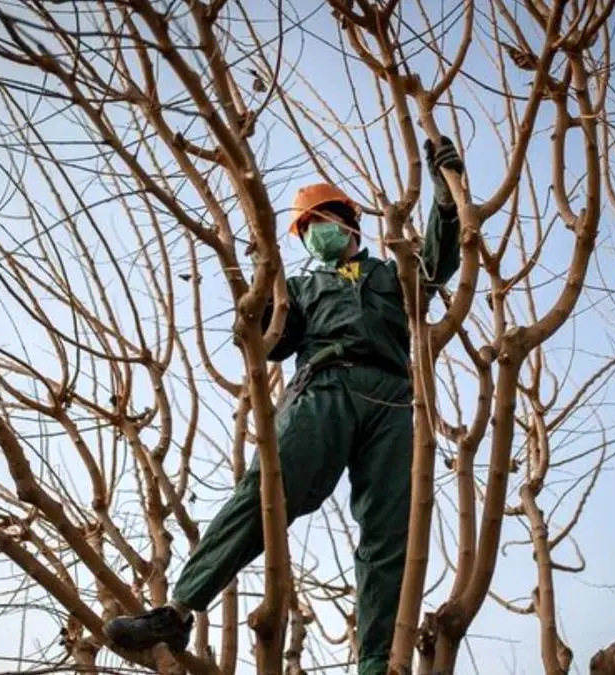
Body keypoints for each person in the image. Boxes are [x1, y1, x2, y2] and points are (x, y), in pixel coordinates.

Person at [104, 137, 465, 675]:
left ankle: (377, 663)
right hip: (322, 389)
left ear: (348, 224)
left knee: (390, 534)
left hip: (393, 398)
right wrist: (253, 308)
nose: (316, 231)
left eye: (323, 219)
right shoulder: (296, 287)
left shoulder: (392, 275)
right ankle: (178, 610)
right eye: (307, 225)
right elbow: (274, 342)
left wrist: (445, 197)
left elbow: (440, 263)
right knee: (265, 494)